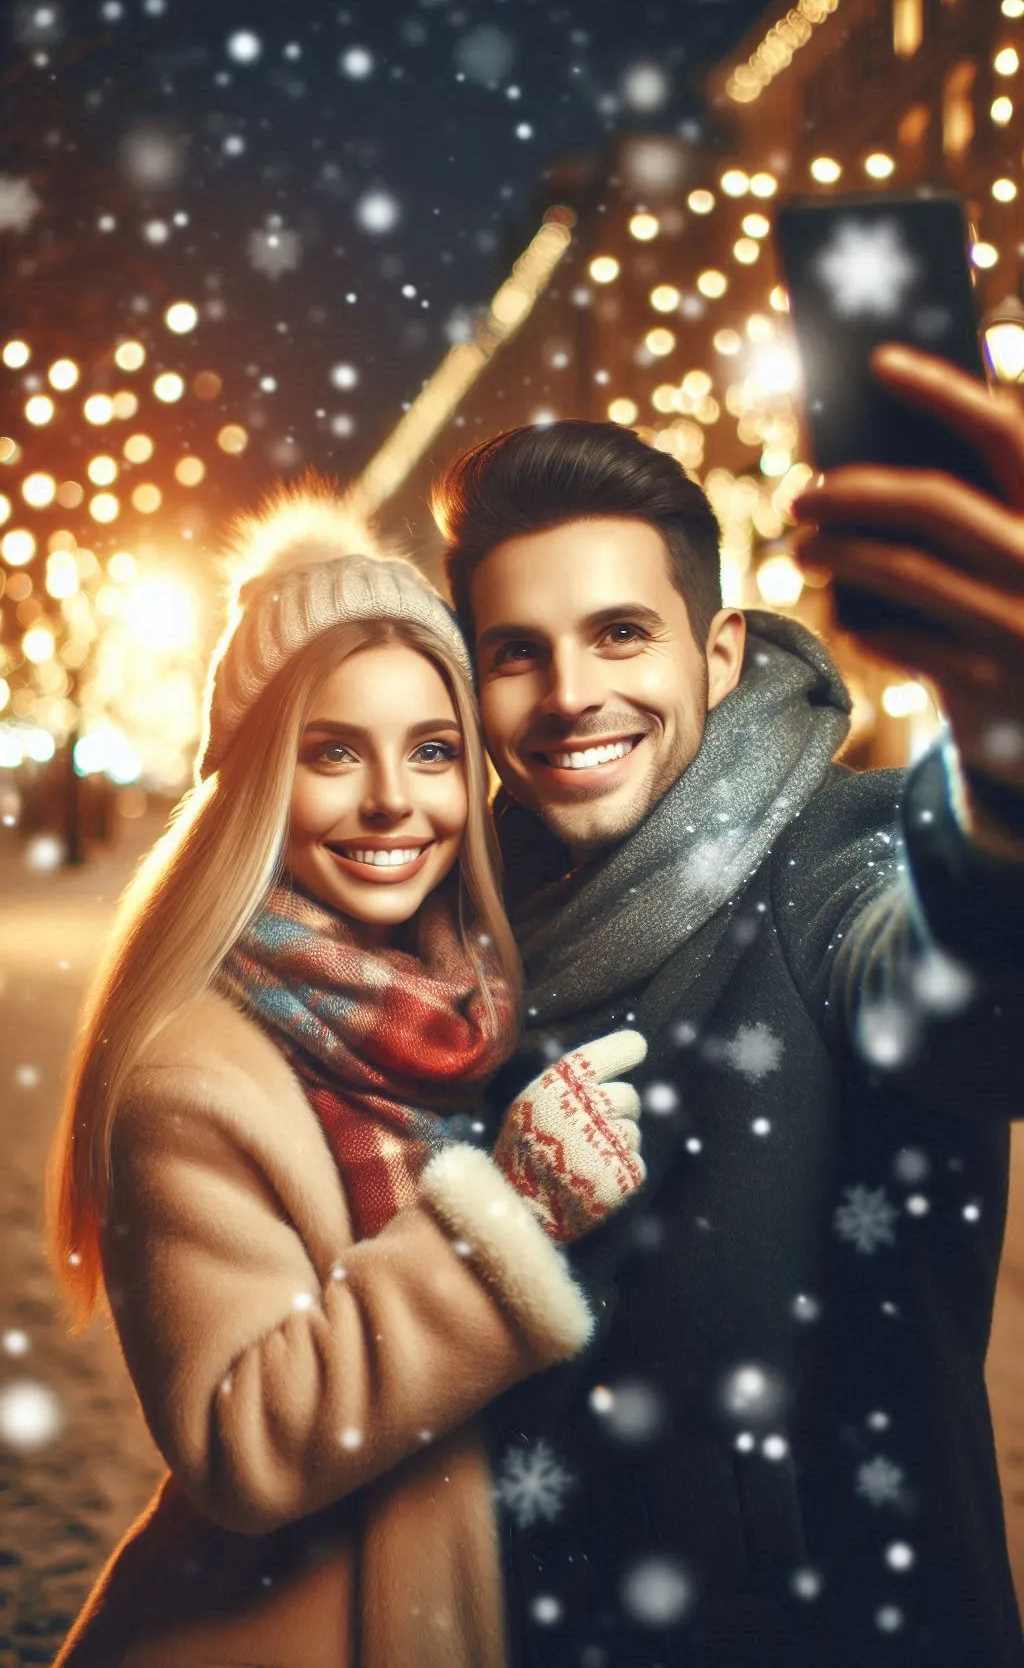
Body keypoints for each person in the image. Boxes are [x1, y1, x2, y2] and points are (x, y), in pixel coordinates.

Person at [430, 343, 1024, 1668]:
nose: (573, 692)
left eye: (621, 633)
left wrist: (1006, 741)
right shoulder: (458, 938)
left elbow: (983, 1007)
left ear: (717, 652)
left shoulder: (841, 852)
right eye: (517, 652)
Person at [45, 484, 648, 1668]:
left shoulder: (464, 1001)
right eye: (332, 751)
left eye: (432, 751)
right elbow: (243, 1440)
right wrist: (505, 1220)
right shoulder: (192, 1069)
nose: (392, 799)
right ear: (256, 777)